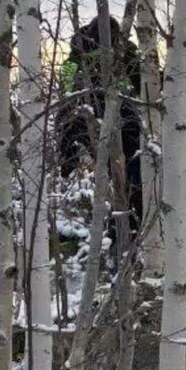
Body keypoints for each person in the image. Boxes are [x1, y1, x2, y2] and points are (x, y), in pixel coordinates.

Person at [57, 15, 143, 228]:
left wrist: (67, 157)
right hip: (125, 126)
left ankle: (116, 228)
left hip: (87, 130)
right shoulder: (124, 55)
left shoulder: (72, 62)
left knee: (109, 183)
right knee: (134, 182)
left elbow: (65, 103)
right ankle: (128, 227)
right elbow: (144, 87)